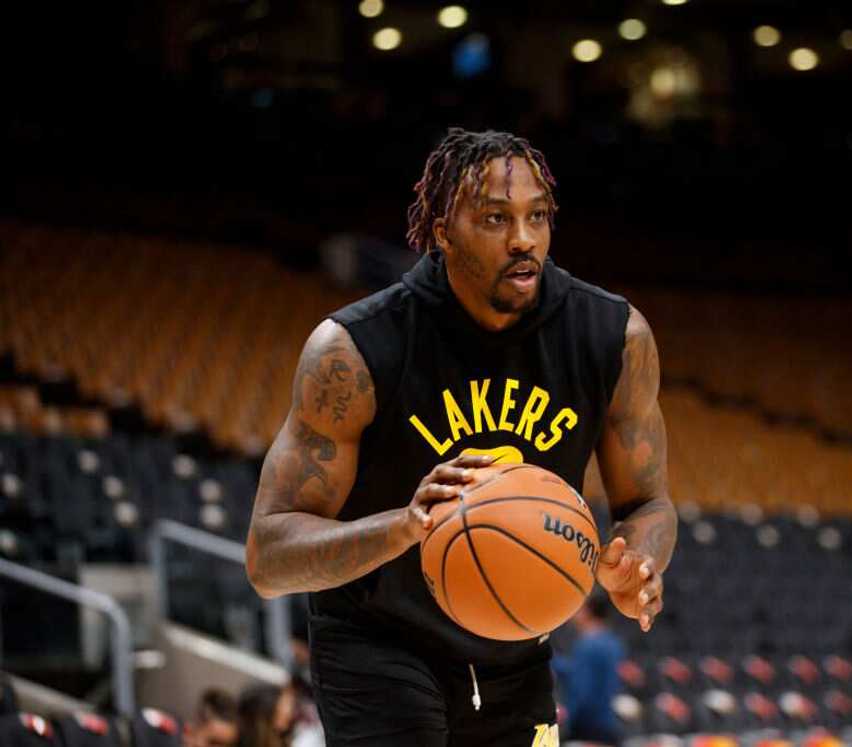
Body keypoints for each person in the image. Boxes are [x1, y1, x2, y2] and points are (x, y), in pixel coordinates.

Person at [245, 127, 678, 746]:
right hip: (379, 641)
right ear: (443, 231)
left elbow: (650, 504)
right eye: (496, 219)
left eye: (537, 216)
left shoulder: (612, 337)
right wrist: (404, 527)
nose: (523, 239)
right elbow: (268, 557)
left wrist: (638, 560)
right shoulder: (356, 350)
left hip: (516, 640)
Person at [553, 594, 626, 745]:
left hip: (588, 726)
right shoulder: (612, 641)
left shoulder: (588, 645)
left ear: (587, 611)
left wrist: (568, 717)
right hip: (606, 720)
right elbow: (578, 672)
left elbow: (581, 688)